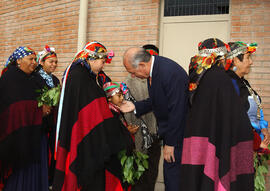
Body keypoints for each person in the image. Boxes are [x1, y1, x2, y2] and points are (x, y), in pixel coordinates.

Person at [53, 41, 133, 191]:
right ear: (92, 59)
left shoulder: (84, 75)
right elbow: (95, 114)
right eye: (103, 61)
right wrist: (122, 134)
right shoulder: (81, 78)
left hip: (88, 137)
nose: (103, 65)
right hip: (87, 141)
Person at [180, 38, 254, 190]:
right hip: (218, 140)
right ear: (221, 57)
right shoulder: (221, 78)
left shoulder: (197, 76)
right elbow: (234, 115)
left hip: (198, 141)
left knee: (198, 179)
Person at [120, 47, 189, 191]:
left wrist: (171, 143)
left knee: (173, 178)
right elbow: (156, 100)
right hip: (171, 134)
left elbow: (178, 111)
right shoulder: (155, 70)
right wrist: (134, 106)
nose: (132, 76)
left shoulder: (169, 73)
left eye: (132, 72)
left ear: (142, 65)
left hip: (179, 136)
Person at [0, 46, 50, 191]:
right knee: (19, 176)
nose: (34, 62)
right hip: (17, 137)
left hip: (33, 134)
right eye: (31, 59)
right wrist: (39, 110)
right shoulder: (10, 78)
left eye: (35, 59)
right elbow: (15, 108)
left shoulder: (32, 78)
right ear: (19, 61)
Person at [123, 44, 161, 191]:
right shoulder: (128, 82)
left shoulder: (158, 80)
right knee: (137, 176)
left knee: (151, 173)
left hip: (156, 135)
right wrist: (127, 126)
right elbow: (123, 106)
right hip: (137, 136)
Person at [226, 41, 270, 149]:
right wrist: (256, 143)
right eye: (248, 57)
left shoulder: (243, 82)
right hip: (241, 147)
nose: (251, 62)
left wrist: (263, 128)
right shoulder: (229, 84)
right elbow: (233, 121)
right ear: (236, 60)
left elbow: (254, 111)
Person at [34, 45, 60, 188]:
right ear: (41, 62)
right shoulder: (35, 78)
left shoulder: (55, 80)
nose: (54, 65)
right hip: (39, 123)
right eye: (51, 62)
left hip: (52, 123)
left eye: (56, 62)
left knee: (51, 153)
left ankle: (49, 180)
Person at [103, 81, 136, 191]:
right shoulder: (109, 114)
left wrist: (127, 131)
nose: (122, 98)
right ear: (109, 98)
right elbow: (113, 136)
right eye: (119, 95)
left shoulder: (117, 111)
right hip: (114, 160)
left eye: (122, 95)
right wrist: (127, 132)